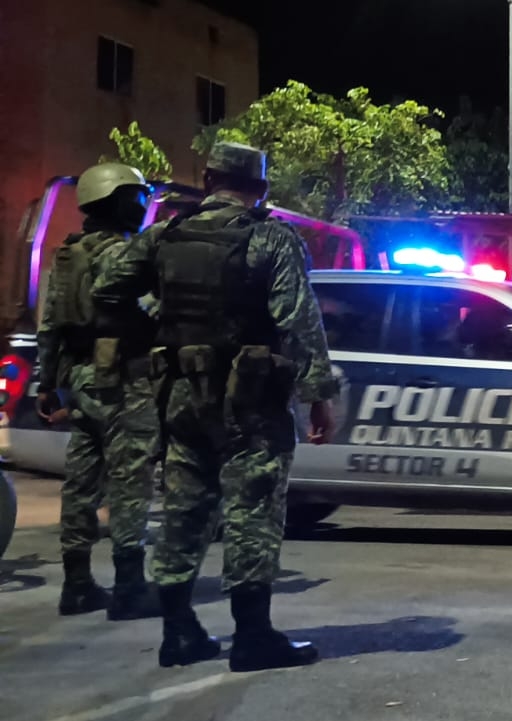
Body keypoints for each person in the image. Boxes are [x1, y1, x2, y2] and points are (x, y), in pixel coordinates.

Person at [94, 142, 339, 671]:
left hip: (180, 394)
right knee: (252, 508)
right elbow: (298, 320)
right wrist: (318, 394)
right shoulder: (270, 237)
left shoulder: (165, 235)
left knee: (183, 508)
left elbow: (107, 290)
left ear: (206, 180)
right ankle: (253, 637)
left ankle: (178, 632)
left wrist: (156, 328)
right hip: (250, 399)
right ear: (262, 188)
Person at [36, 163, 163, 620]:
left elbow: (49, 326)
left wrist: (45, 384)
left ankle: (77, 585)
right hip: (122, 381)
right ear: (123, 202)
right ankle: (130, 588)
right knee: (130, 484)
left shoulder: (68, 256)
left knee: (81, 485)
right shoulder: (122, 256)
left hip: (80, 382)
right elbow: (153, 312)